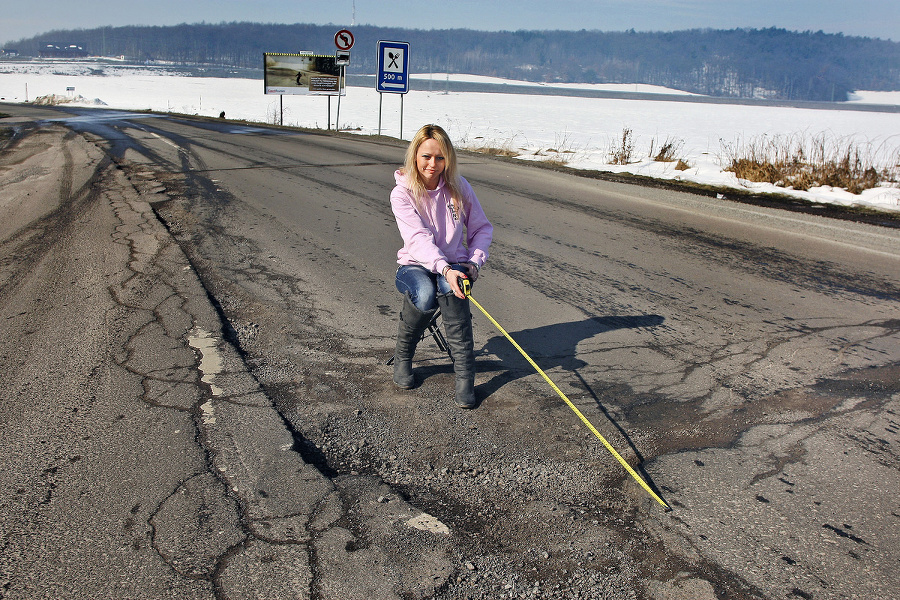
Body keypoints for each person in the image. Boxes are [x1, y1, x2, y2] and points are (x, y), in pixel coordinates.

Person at [390, 124, 493, 409]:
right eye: (426, 156)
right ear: (414, 156)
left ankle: (465, 377)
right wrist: (443, 267)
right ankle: (403, 357)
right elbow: (418, 239)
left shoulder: (460, 188)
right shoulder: (402, 194)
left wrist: (473, 263)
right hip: (415, 265)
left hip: (454, 263)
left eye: (439, 157)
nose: (432, 164)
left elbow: (482, 229)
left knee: (452, 288)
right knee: (424, 292)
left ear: (447, 159)